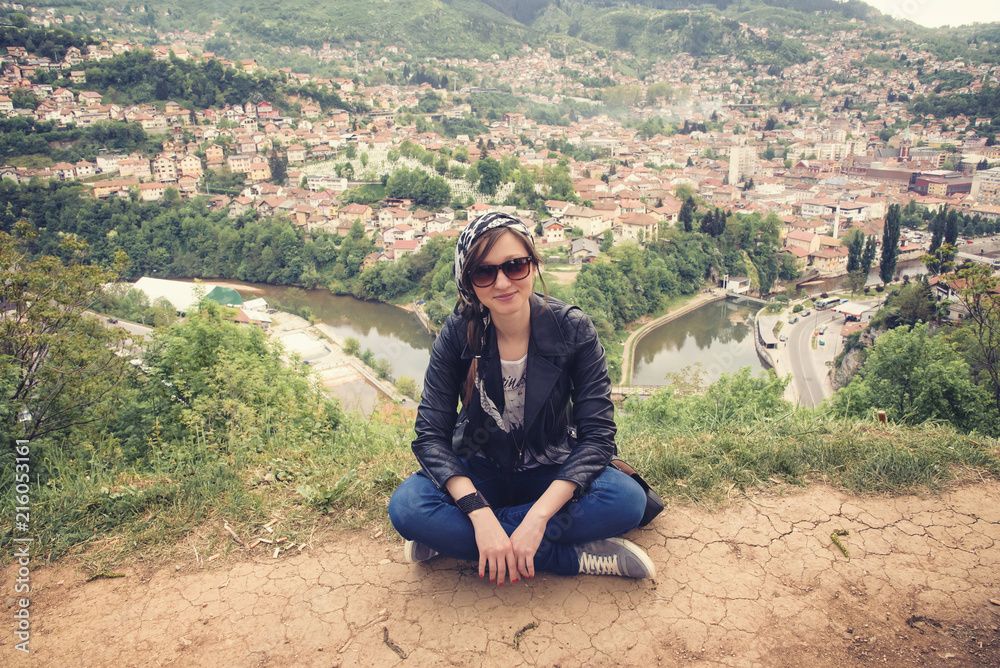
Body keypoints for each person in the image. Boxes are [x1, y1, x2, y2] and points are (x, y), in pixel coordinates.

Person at [388, 212, 654, 586]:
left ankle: (454, 541)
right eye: (484, 272)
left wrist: (537, 518)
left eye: (515, 265)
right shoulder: (458, 333)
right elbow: (431, 435)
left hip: (551, 465)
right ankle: (564, 556)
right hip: (480, 467)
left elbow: (597, 437)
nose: (502, 282)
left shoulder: (573, 329)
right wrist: (479, 513)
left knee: (626, 500)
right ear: (469, 282)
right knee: (407, 508)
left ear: (532, 264)